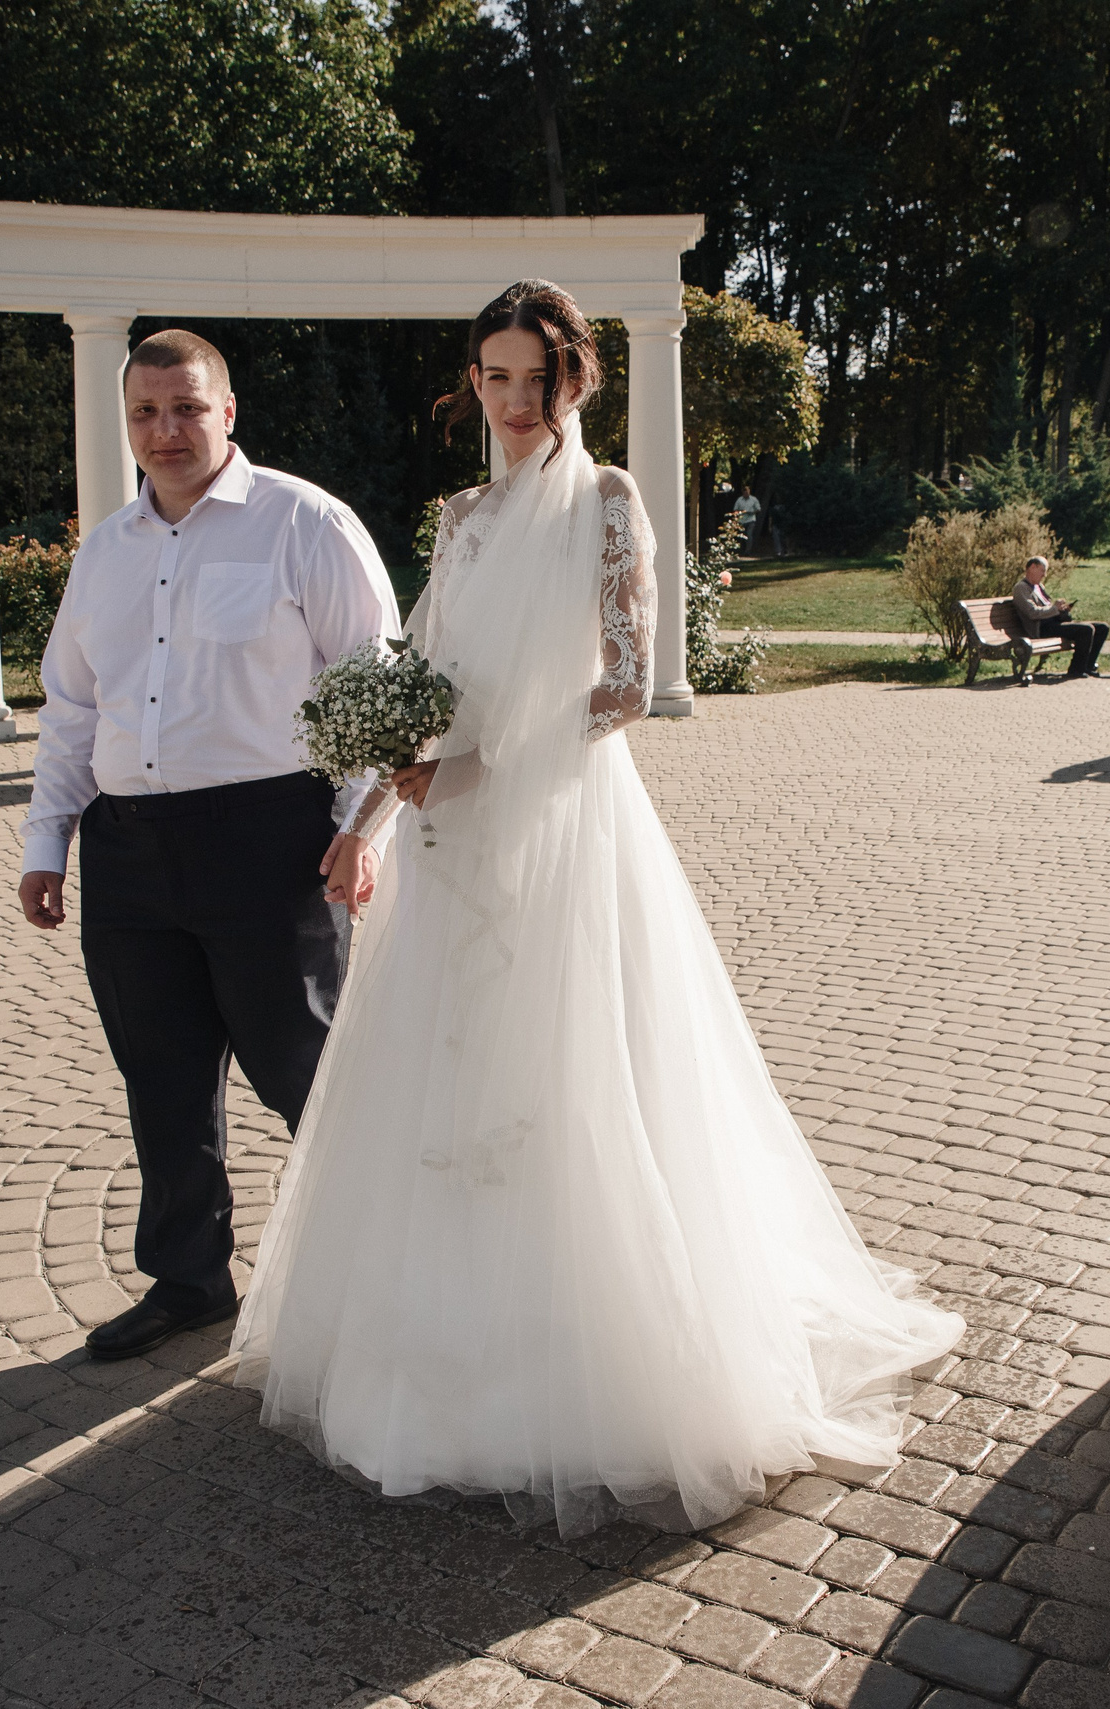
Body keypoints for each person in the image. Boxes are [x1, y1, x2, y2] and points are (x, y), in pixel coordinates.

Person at [231, 280, 963, 1534]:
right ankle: (432, 1365)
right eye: (493, 377)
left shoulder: (609, 502)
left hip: (565, 828)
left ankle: (590, 1374)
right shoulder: (459, 517)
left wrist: (482, 763)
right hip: (457, 838)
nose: (512, 402)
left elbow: (628, 685)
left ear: (575, 378)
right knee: (438, 1086)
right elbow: (419, 679)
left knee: (571, 1078)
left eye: (534, 377)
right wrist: (365, 818)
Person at [18, 329, 404, 1360]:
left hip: (274, 840)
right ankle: (188, 1281)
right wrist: (46, 839)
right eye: (145, 412)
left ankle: (380, 1276)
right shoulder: (105, 550)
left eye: (186, 408)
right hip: (130, 851)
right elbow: (69, 705)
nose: (166, 431)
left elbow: (378, 679)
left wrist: (361, 828)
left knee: (302, 1073)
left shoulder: (302, 521)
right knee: (165, 1077)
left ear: (227, 411)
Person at [1012, 554, 1108, 676]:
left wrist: (1061, 610)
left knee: (1102, 627)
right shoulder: (1021, 588)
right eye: (1042, 571)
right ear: (1032, 567)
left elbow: (1047, 608)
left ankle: (1088, 666)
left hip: (1053, 622)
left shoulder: (1039, 587)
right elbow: (1032, 613)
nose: (1044, 575)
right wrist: (1054, 608)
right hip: (1041, 628)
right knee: (1086, 630)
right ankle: (1076, 670)